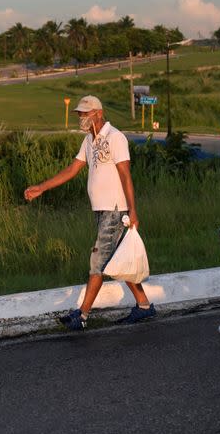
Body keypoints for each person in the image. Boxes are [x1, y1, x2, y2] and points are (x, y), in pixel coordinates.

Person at [24, 95, 156, 331]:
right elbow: (72, 169)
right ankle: (144, 306)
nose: (81, 117)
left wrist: (133, 210)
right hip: (101, 210)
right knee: (116, 259)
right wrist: (41, 187)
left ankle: (82, 315)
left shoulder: (115, 138)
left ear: (98, 113)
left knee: (98, 260)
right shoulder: (89, 140)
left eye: (85, 113)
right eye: (80, 114)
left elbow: (126, 175)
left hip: (115, 210)